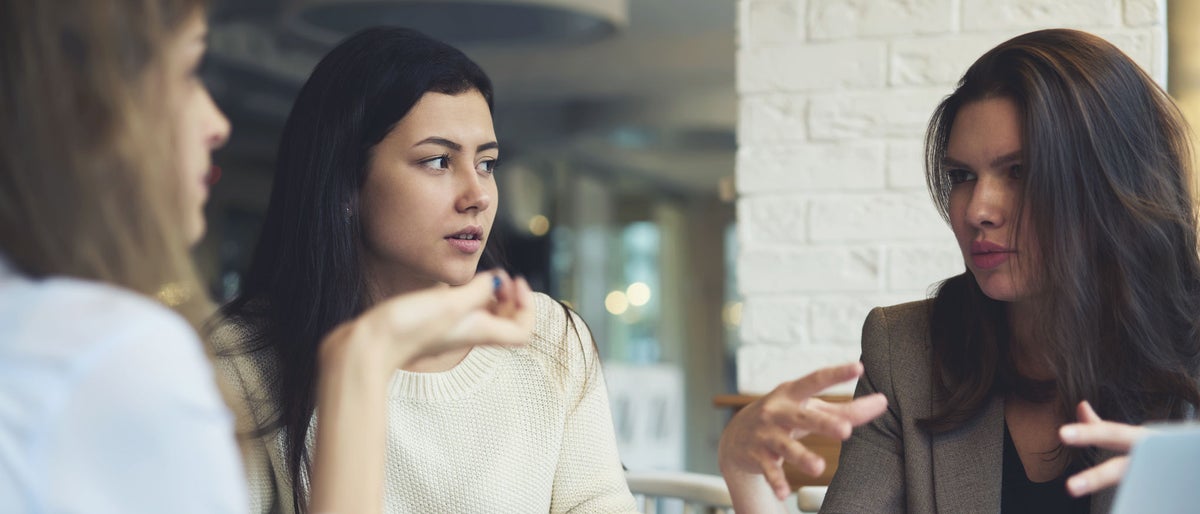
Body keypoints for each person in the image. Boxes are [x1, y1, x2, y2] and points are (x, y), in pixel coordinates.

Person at [0, 2, 533, 513]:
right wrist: (364, 357)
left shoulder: (545, 337)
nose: (218, 123)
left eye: (487, 164)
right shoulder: (126, 352)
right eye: (188, 74)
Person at [718, 28, 1200, 514]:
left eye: (1019, 171)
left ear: (1112, 182)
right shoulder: (907, 352)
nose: (977, 210)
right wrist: (744, 471)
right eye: (962, 176)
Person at [211, 27, 637, 514]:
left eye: (487, 164)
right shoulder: (243, 358)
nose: (477, 195)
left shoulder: (549, 337)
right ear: (346, 184)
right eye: (438, 161)